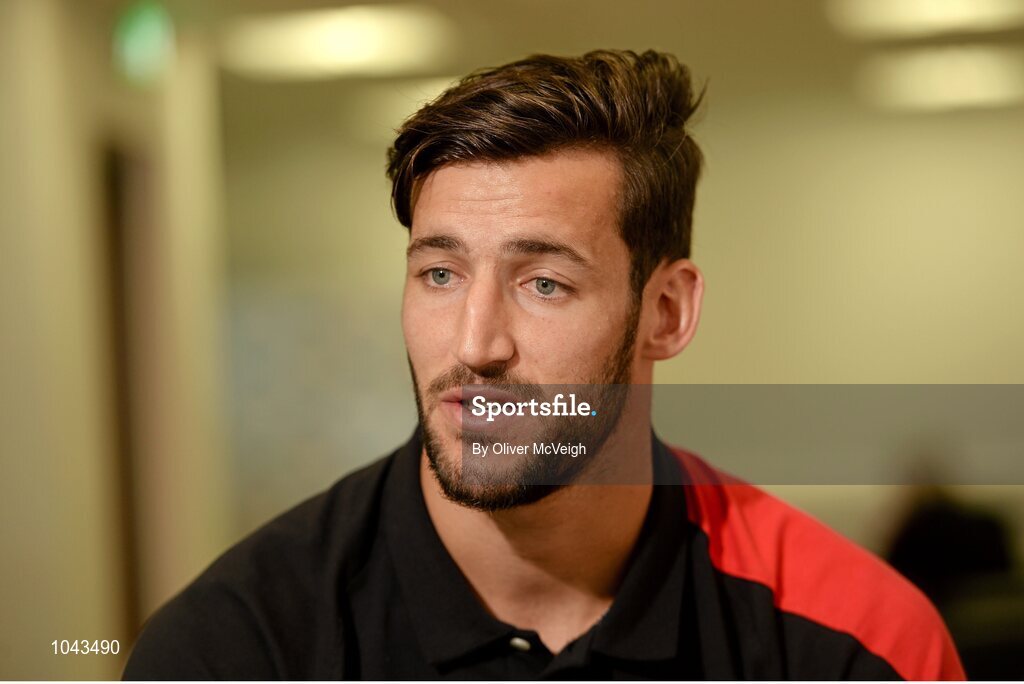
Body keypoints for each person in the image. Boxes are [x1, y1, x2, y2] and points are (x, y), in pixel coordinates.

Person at [123, 49, 964, 680]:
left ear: (666, 312)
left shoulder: (855, 642)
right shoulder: (233, 648)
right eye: (440, 274)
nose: (475, 345)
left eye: (545, 283)